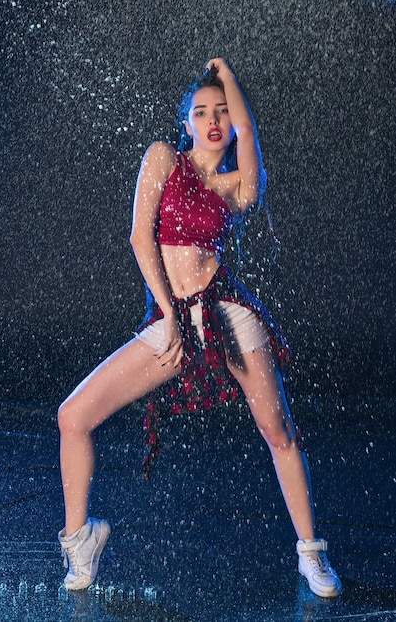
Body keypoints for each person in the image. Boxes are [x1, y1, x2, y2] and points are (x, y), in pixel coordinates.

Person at [57, 58, 342, 598]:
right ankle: (80, 541)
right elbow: (142, 239)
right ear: (186, 122)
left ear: (231, 122)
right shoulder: (164, 158)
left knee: (278, 431)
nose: (213, 121)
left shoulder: (236, 186)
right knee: (73, 417)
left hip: (227, 312)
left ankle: (311, 554)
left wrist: (232, 78)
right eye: (201, 112)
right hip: (173, 316)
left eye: (222, 113)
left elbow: (251, 145)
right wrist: (167, 313)